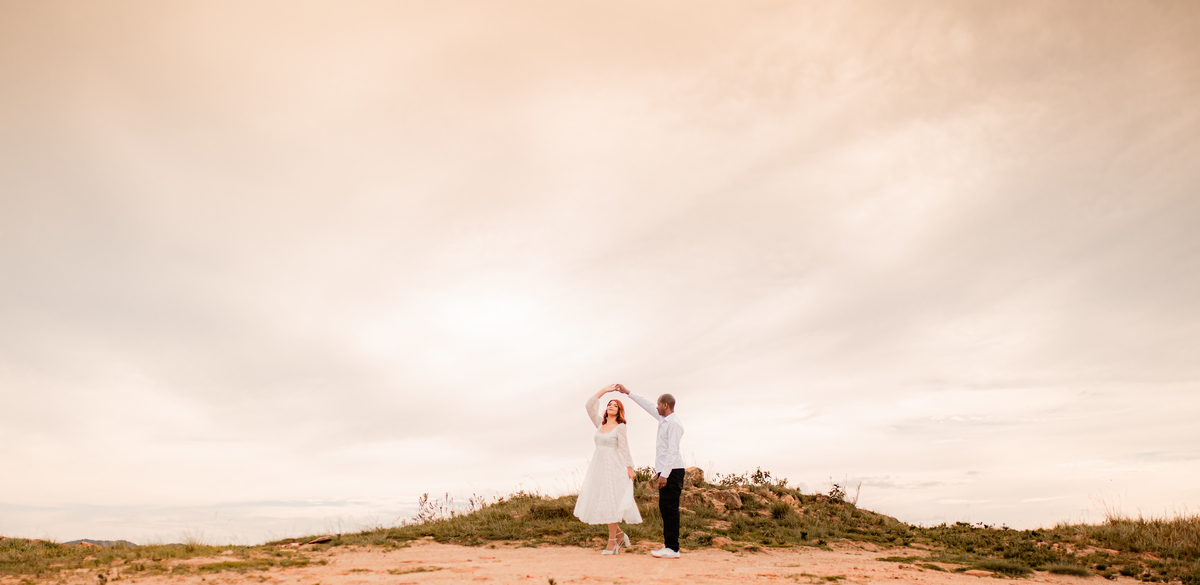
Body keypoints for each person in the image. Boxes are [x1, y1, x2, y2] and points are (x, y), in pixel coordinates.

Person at [616, 384, 684, 559]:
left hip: (672, 471)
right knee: (665, 507)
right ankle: (669, 545)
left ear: (665, 405)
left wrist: (665, 475)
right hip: (667, 470)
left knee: (670, 508)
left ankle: (672, 549)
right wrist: (628, 392)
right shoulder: (663, 419)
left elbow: (673, 451)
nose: (656, 406)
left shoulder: (674, 423)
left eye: (658, 404)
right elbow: (646, 404)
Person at [573, 384, 642, 555]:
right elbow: (589, 405)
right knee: (603, 501)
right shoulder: (599, 424)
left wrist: (630, 467)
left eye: (615, 405)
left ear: (619, 411)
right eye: (609, 404)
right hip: (599, 467)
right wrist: (605, 390)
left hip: (614, 467)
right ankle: (618, 534)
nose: (611, 406)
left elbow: (625, 448)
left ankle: (613, 541)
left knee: (611, 502)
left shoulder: (620, 427)